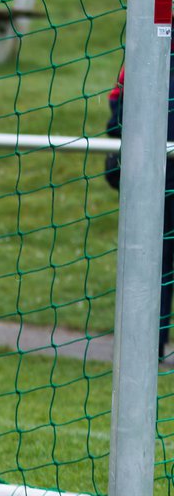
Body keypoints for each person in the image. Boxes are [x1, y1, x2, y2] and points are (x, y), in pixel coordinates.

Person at [105, 64, 174, 358]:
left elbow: (116, 122)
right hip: (153, 179)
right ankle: (148, 346)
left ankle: (148, 348)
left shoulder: (142, 57)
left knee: (154, 263)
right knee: (156, 263)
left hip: (150, 179)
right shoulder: (143, 59)